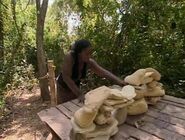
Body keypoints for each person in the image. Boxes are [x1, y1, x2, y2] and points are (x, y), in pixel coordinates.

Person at [56, 39, 127, 104]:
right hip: (63, 88)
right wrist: (79, 93)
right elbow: (66, 78)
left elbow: (103, 72)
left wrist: (119, 81)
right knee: (65, 107)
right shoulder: (70, 57)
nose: (89, 56)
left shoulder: (89, 62)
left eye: (91, 53)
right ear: (79, 53)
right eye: (87, 54)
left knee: (76, 105)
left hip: (75, 87)